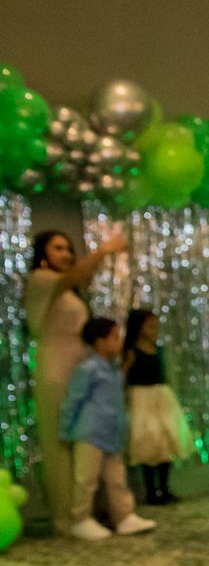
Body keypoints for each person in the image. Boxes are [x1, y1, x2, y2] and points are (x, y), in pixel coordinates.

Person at [26, 227, 126, 532]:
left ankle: (87, 511)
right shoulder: (40, 279)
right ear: (42, 254)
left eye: (68, 248)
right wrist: (104, 250)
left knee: (87, 436)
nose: (66, 254)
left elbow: (80, 277)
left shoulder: (68, 290)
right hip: (56, 365)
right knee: (62, 439)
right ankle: (67, 517)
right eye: (58, 248)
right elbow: (75, 276)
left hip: (79, 364)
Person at [58, 316, 154, 541]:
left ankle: (124, 515)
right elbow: (73, 400)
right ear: (100, 341)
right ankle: (80, 519)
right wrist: (66, 429)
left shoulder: (114, 370)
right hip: (90, 432)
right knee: (86, 479)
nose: (120, 341)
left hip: (111, 433)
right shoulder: (88, 369)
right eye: (115, 337)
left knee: (116, 479)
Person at [122, 308, 193, 504]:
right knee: (148, 442)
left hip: (162, 397)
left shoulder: (159, 349)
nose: (155, 330)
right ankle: (151, 491)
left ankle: (164, 488)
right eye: (150, 326)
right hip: (142, 398)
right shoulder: (132, 352)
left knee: (165, 442)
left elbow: (166, 373)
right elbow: (124, 377)